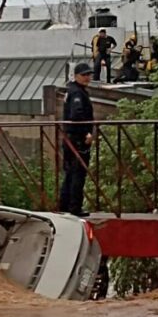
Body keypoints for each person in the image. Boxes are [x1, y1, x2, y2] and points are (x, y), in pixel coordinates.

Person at [59, 63, 95, 217]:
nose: (87, 77)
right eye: (84, 75)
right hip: (77, 140)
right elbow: (76, 116)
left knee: (70, 173)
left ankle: (65, 206)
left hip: (71, 139)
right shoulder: (77, 93)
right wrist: (85, 133)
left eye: (89, 74)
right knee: (77, 174)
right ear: (76, 76)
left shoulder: (74, 91)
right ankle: (74, 207)